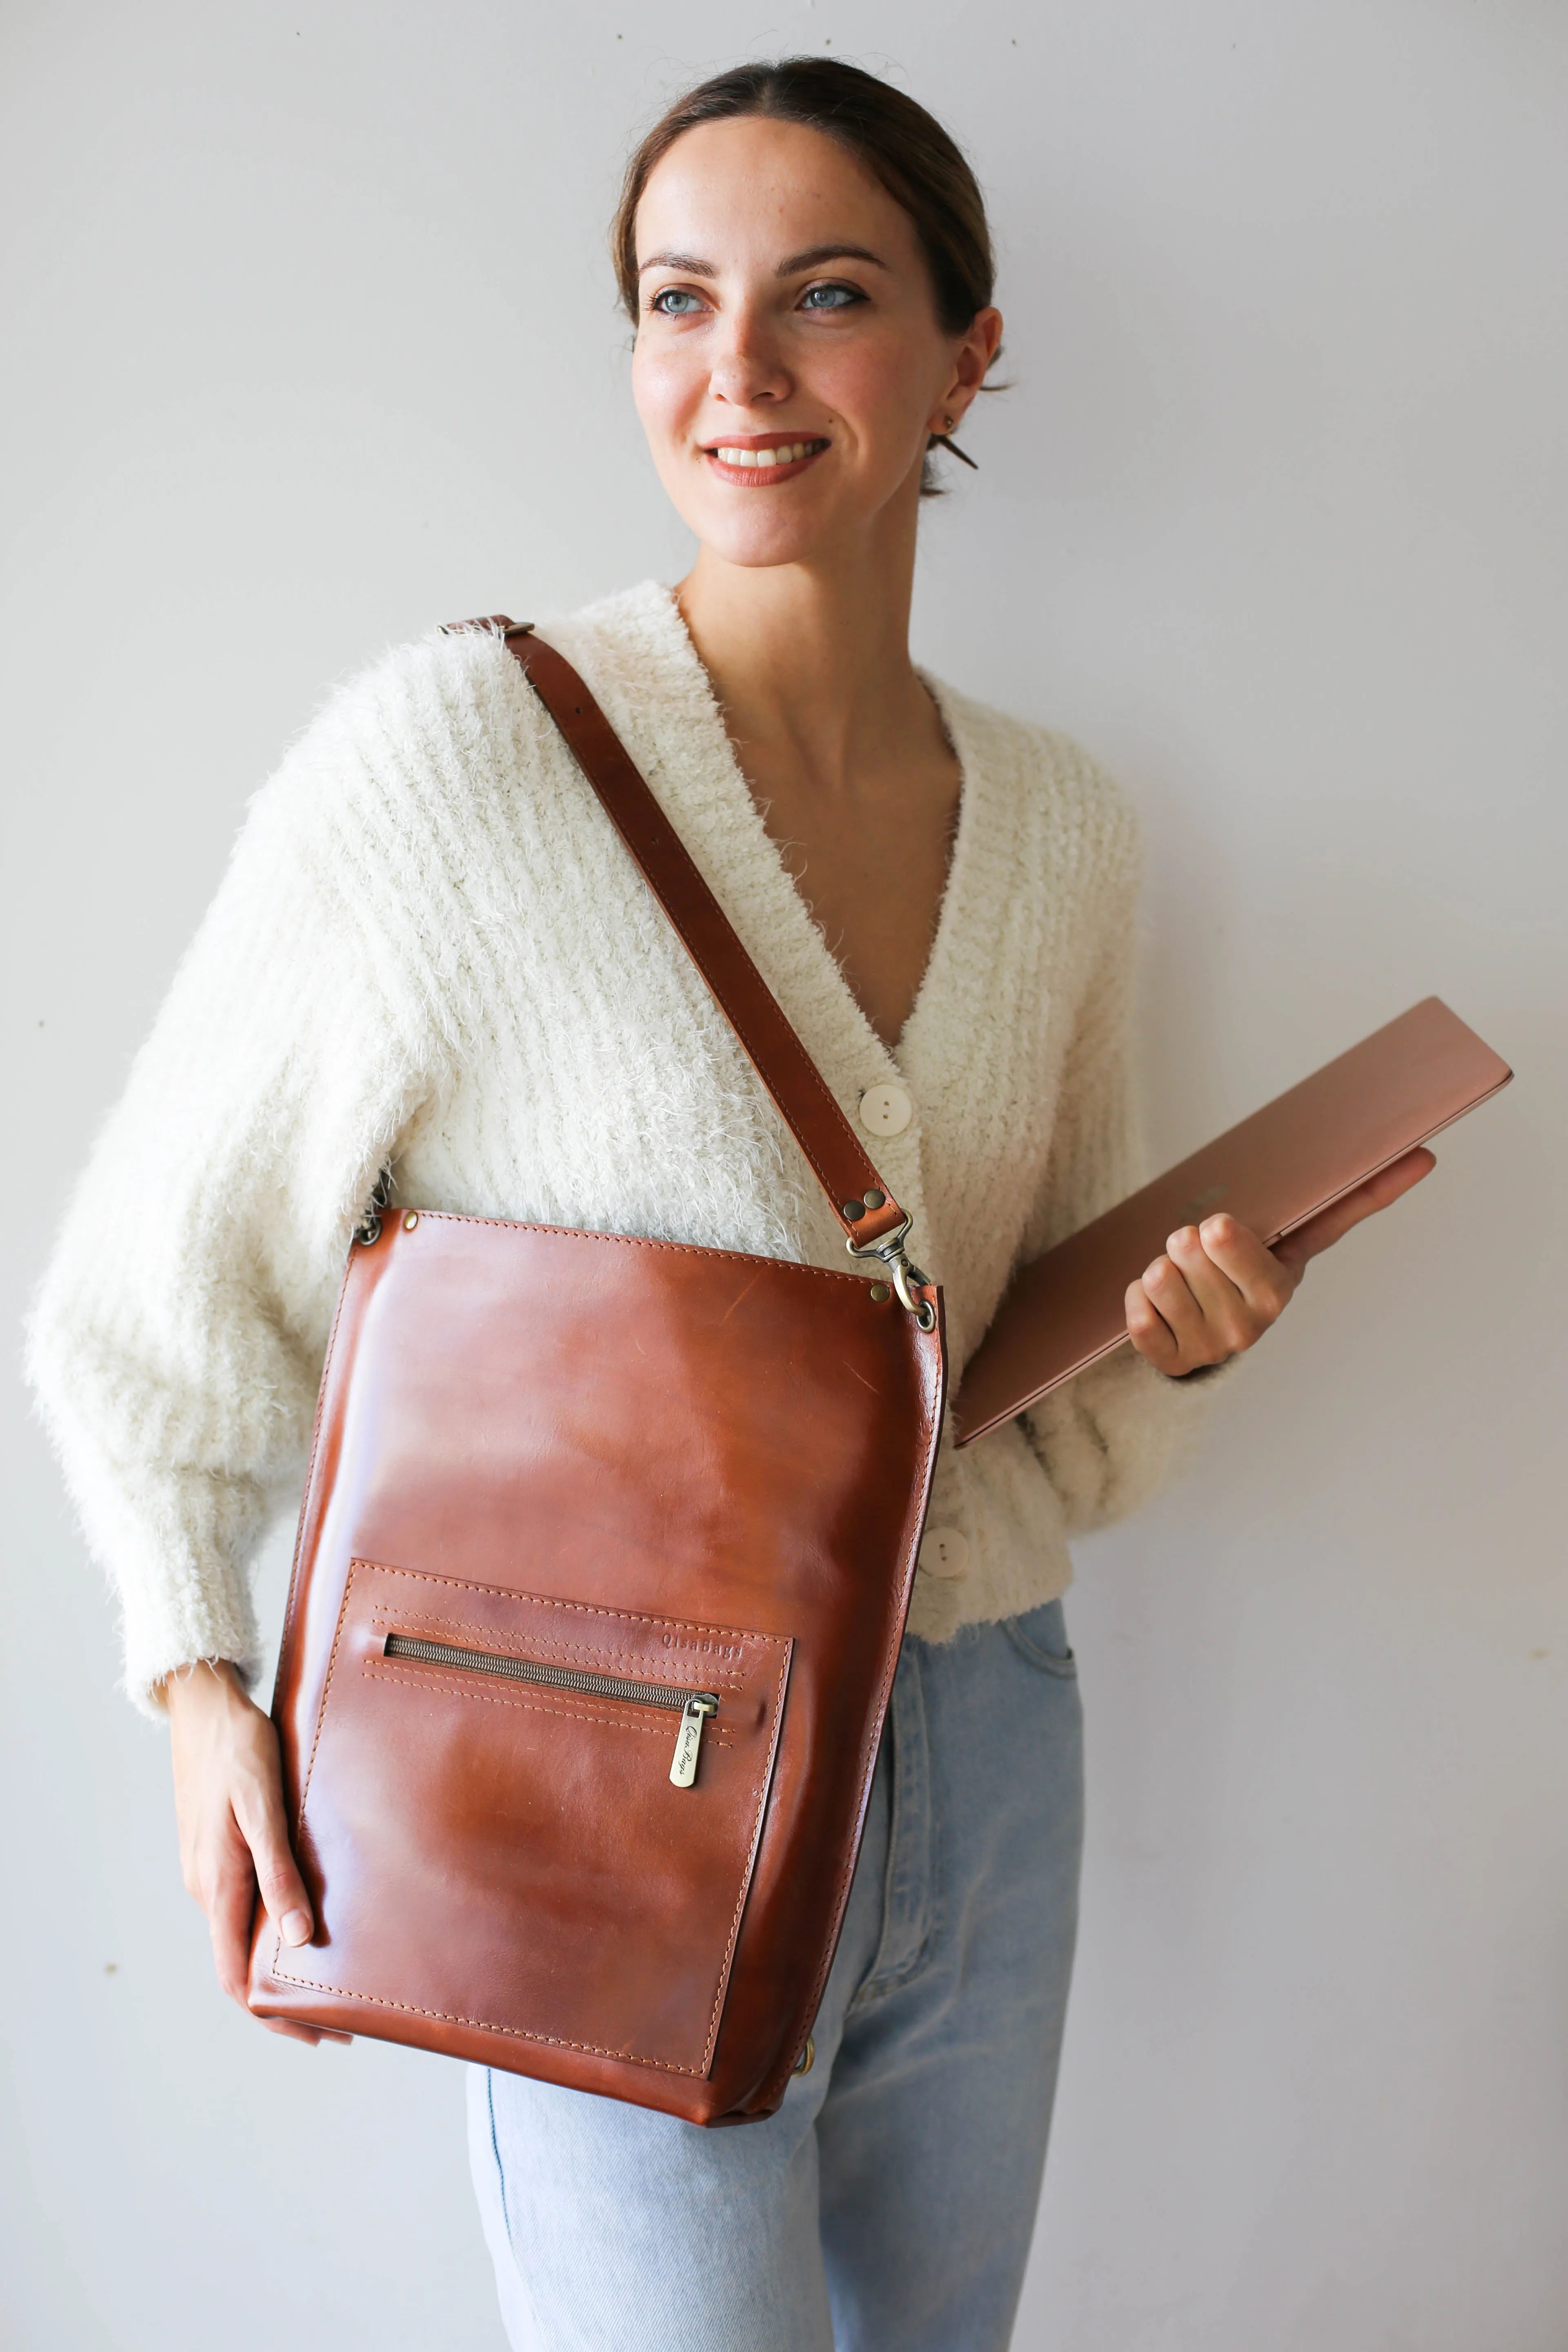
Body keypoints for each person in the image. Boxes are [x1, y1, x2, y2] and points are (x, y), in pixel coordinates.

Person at [26, 56, 1432, 2352]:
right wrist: (203, 1691)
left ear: (974, 349)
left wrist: (1168, 1342)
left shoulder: (1068, 828)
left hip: (990, 1733)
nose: (739, 372)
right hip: (588, 1770)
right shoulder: (454, 760)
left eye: (830, 294)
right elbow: (147, 1297)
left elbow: (1008, 1373)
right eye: (677, 300)